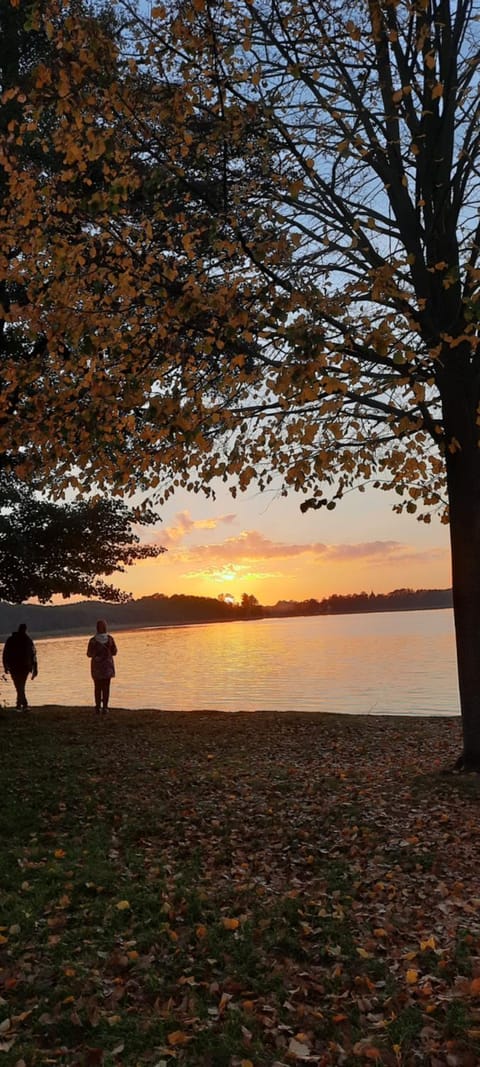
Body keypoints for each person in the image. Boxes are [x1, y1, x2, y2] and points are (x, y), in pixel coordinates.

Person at [2, 623, 38, 711]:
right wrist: (35, 668)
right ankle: (23, 705)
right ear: (25, 629)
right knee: (20, 686)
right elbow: (33, 655)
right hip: (21, 666)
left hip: (17, 666)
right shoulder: (27, 640)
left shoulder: (13, 639)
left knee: (19, 686)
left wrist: (5, 666)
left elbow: (5, 654)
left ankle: (20, 705)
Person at [87, 619, 117, 714]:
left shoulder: (92, 641)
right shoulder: (110, 639)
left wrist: (96, 655)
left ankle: (97, 707)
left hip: (97, 667)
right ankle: (105, 707)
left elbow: (89, 654)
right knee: (106, 687)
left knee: (97, 687)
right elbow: (115, 652)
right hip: (107, 666)